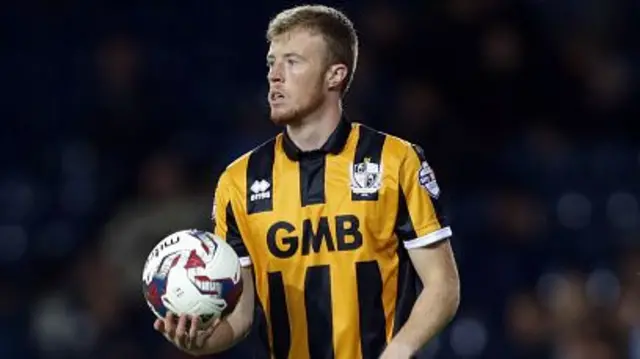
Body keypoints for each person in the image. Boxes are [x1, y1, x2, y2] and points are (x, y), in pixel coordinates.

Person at [154, 4, 460, 359]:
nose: (275, 76)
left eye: (293, 61)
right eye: (271, 63)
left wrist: (400, 351)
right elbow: (240, 318)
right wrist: (200, 341)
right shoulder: (238, 181)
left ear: (335, 75)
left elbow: (443, 285)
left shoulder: (395, 160)